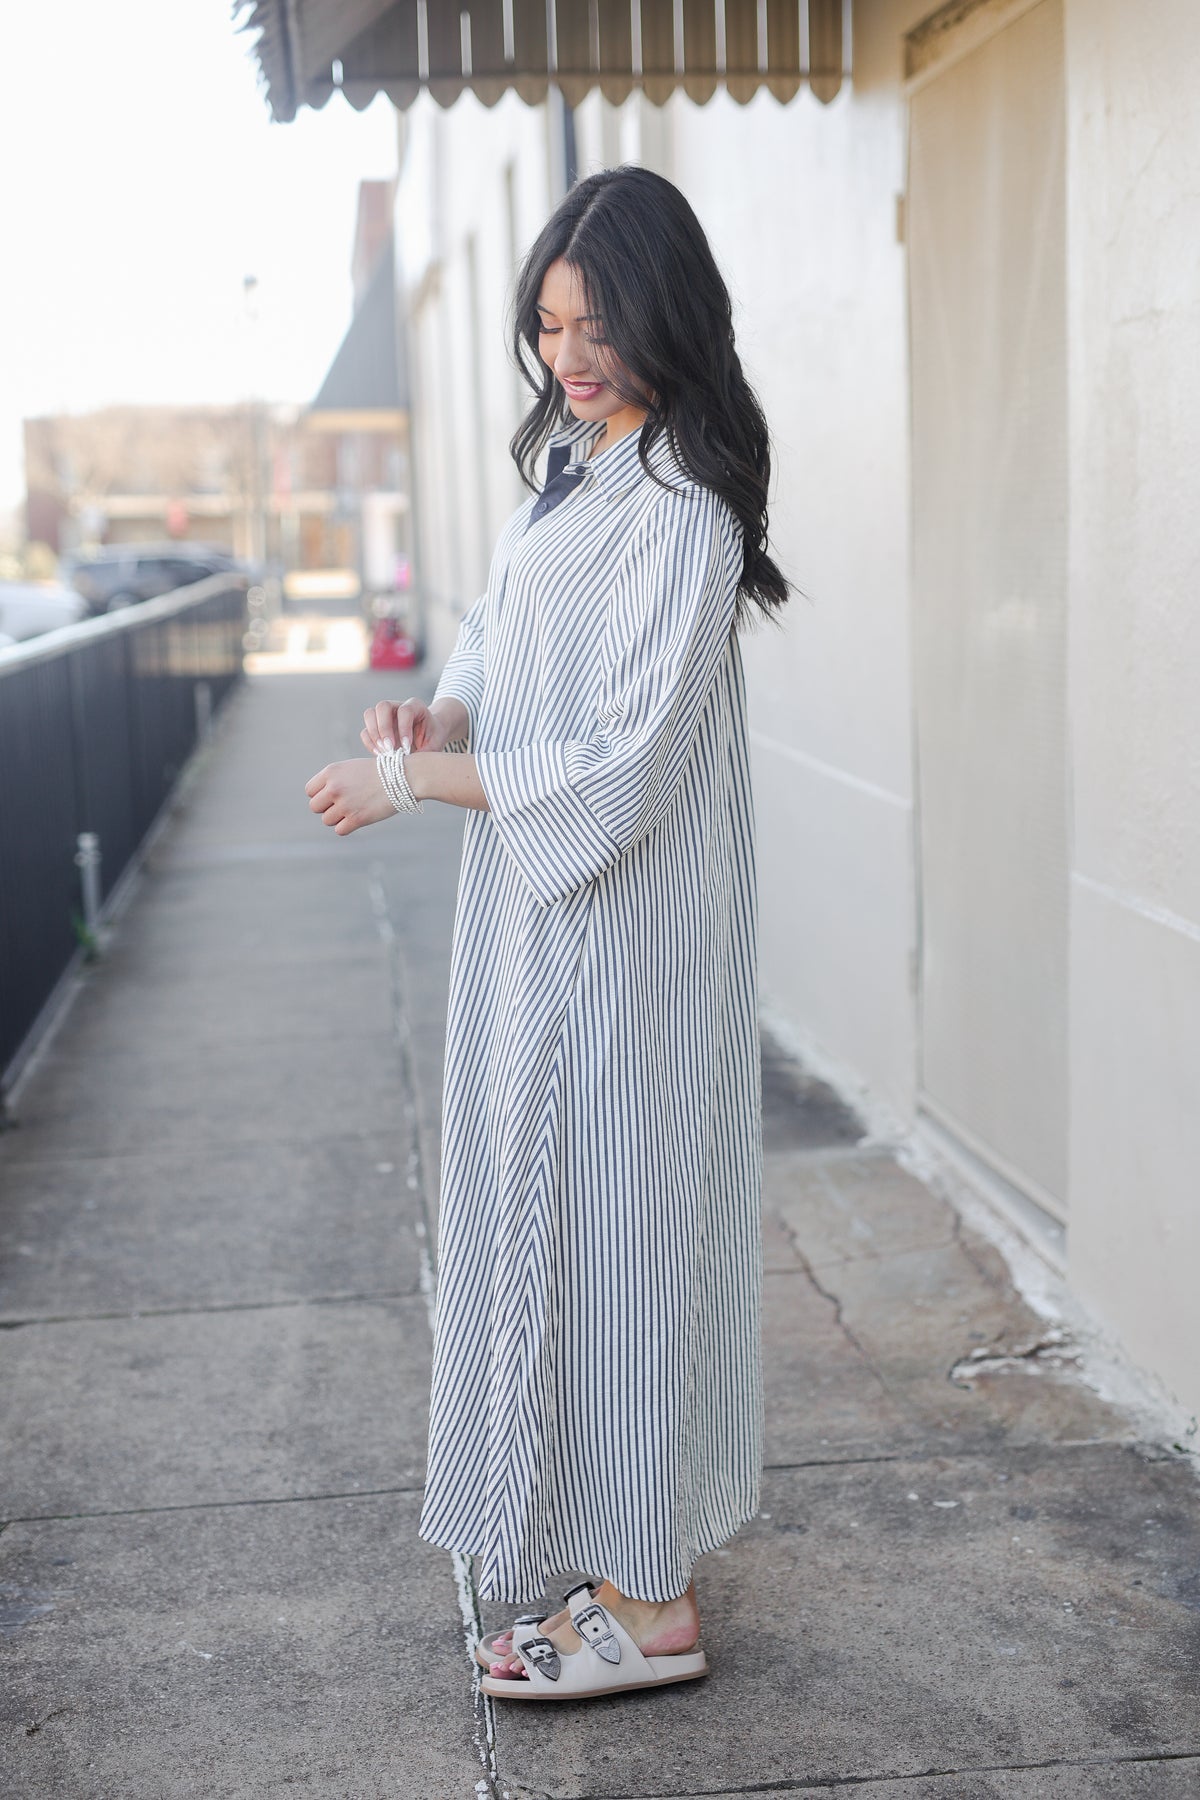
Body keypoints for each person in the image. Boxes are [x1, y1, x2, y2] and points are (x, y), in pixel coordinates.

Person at [305, 165, 789, 1702]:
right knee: (564, 1239)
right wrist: (435, 708)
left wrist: (406, 778)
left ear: (666, 314)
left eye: (596, 324)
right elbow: (501, 647)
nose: (568, 356)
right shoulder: (578, 471)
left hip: (630, 948)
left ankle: (654, 1607)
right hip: (535, 933)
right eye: (551, 324)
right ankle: (615, 1556)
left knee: (633, 1245)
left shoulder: (688, 515)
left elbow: (624, 769)